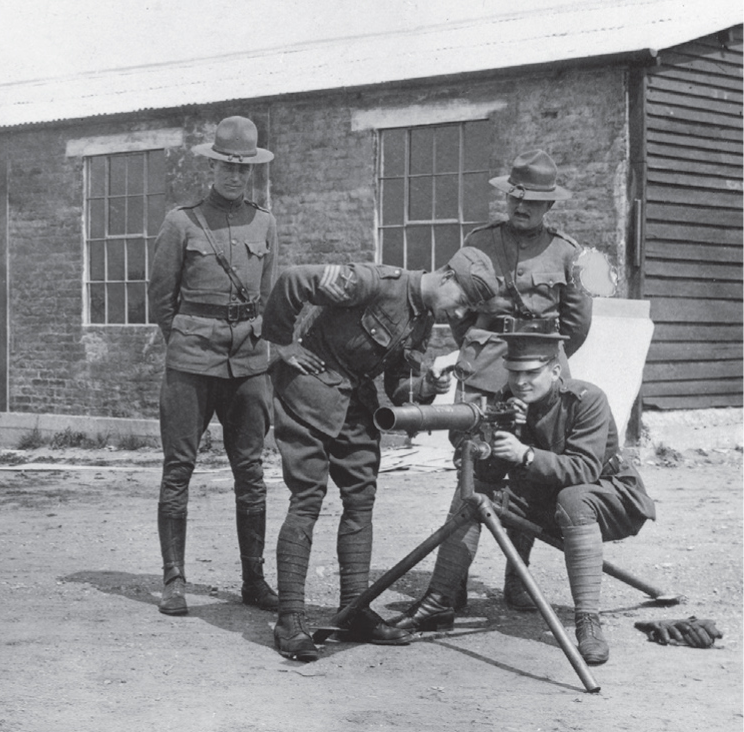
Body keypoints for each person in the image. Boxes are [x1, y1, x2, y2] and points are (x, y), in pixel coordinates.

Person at [260, 247, 502, 661]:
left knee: (361, 499)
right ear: (446, 277)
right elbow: (294, 279)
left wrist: (427, 386)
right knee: (307, 500)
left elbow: (396, 388)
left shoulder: (422, 321)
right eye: (461, 300)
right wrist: (281, 342)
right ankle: (290, 618)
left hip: (354, 403)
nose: (460, 312)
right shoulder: (374, 281)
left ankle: (353, 609)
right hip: (308, 396)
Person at [389, 333, 656, 667]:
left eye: (531, 373)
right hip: (553, 501)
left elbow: (585, 469)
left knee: (574, 497)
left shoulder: (586, 400)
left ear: (556, 371)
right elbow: (495, 471)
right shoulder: (509, 402)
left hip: (612, 498)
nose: (520, 382)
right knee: (475, 492)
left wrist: (526, 454)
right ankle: (439, 599)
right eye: (514, 373)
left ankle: (588, 620)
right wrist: (483, 449)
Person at [450, 149, 594, 611]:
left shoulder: (567, 252)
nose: (522, 206)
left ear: (549, 205)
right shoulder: (478, 242)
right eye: (516, 196)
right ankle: (450, 584)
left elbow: (576, 323)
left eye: (533, 200)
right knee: (473, 469)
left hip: (539, 375)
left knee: (532, 474)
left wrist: (541, 368)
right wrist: (480, 351)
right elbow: (458, 310)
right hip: (485, 371)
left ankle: (518, 579)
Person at [150, 116, 279, 617]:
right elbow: (161, 298)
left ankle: (254, 580)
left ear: (252, 173)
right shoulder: (181, 222)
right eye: (227, 166)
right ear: (213, 165)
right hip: (191, 359)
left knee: (250, 470)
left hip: (248, 361)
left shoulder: (264, 223)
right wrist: (186, 340)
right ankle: (174, 581)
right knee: (178, 468)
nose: (234, 176)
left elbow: (267, 296)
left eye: (243, 169)